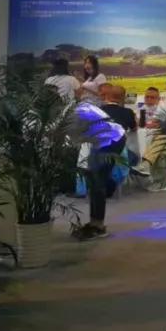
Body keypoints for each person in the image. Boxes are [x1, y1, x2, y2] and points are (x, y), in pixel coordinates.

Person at [72, 102, 127, 241]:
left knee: (98, 182)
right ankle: (94, 223)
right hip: (102, 139)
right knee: (93, 181)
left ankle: (99, 226)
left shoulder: (73, 113)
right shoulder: (73, 109)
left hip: (112, 139)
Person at [99, 84, 137, 170]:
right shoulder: (128, 112)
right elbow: (134, 128)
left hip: (98, 151)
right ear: (123, 97)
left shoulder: (98, 110)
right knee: (135, 158)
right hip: (117, 151)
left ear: (108, 96)